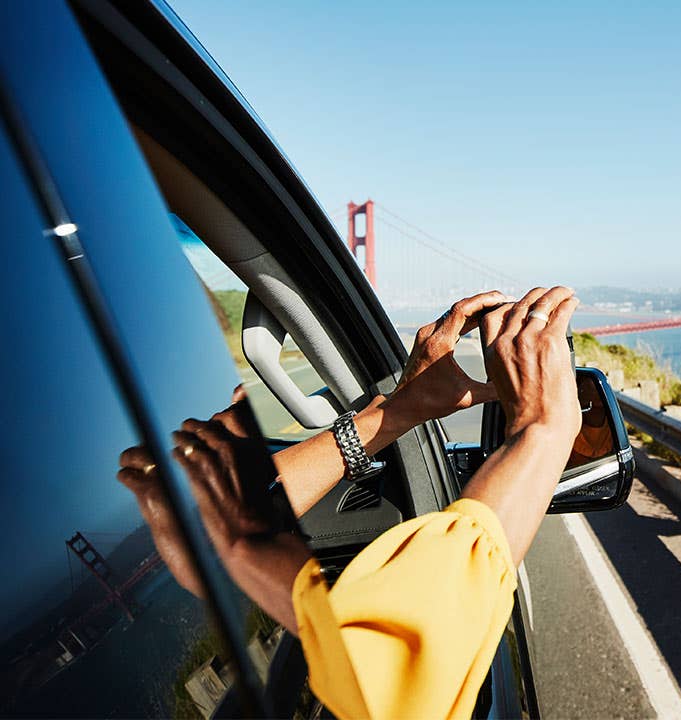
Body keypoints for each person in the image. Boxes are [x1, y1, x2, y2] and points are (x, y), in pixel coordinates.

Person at [118, 286, 581, 719]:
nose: (241, 394)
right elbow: (399, 668)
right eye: (224, 381)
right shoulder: (226, 542)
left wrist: (403, 407)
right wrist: (542, 427)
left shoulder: (184, 533)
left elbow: (229, 520)